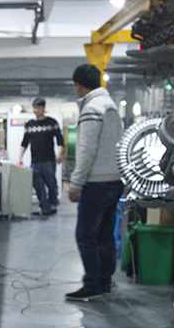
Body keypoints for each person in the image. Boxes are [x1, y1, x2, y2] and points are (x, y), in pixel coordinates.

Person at [66, 64, 124, 302]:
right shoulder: (111, 106)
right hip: (115, 180)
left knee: (85, 235)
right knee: (104, 235)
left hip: (96, 183)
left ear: (79, 85)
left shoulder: (91, 109)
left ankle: (92, 284)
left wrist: (76, 183)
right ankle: (104, 281)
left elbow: (86, 150)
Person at [19, 97, 64, 216]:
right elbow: (24, 142)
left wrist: (60, 153)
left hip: (49, 160)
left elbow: (60, 140)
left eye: (38, 108)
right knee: (38, 185)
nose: (35, 110)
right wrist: (20, 158)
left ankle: (53, 204)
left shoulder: (52, 123)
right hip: (35, 161)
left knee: (51, 184)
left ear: (43, 108)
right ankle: (44, 207)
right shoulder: (29, 125)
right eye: (34, 108)